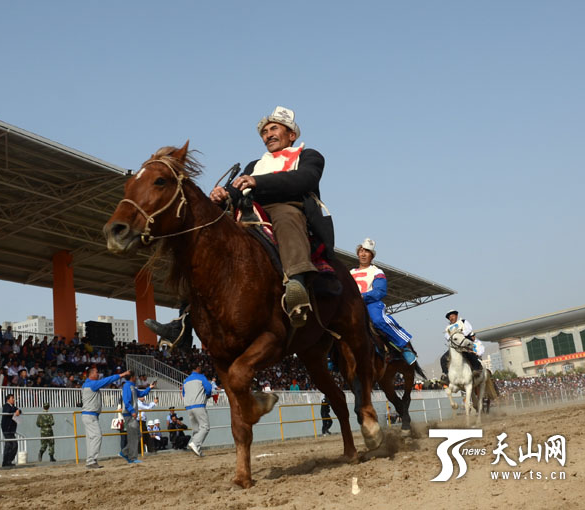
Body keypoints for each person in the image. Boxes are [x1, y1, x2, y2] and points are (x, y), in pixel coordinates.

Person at [145, 105, 329, 339]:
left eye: (274, 129)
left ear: (291, 135)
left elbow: (305, 180)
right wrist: (224, 195)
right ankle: (183, 320)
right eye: (264, 132)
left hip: (288, 207)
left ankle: (297, 284)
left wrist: (257, 182)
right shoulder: (254, 164)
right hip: (250, 213)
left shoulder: (308, 156)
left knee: (286, 216)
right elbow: (237, 190)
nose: (268, 135)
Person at [350, 238, 417, 365]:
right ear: (358, 253)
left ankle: (404, 346)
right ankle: (332, 356)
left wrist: (363, 297)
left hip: (371, 303)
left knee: (378, 320)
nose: (364, 254)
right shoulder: (351, 273)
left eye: (367, 252)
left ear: (372, 256)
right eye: (362, 251)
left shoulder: (377, 271)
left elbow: (380, 291)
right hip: (352, 304)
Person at [82, 367, 129, 469]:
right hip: (91, 415)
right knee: (97, 436)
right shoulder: (93, 384)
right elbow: (108, 380)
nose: (98, 374)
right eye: (96, 372)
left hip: (88, 415)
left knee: (91, 439)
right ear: (91, 374)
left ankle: (90, 460)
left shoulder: (87, 384)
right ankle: (91, 460)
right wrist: (121, 375)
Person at [120, 373, 155, 463]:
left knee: (137, 435)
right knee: (135, 435)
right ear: (132, 377)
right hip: (129, 414)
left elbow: (141, 393)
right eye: (135, 376)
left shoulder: (132, 387)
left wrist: (149, 388)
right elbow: (126, 401)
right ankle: (131, 457)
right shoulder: (127, 386)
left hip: (131, 414)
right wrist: (132, 411)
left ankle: (125, 452)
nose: (136, 378)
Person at [440, 310, 483, 382]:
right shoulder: (448, 327)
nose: (451, 318)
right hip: (455, 345)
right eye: (450, 317)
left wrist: (460, 334)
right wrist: (453, 336)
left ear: (456, 316)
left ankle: (476, 369)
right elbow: (447, 336)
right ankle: (446, 374)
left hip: (464, 343)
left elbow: (469, 329)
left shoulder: (463, 321)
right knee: (443, 358)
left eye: (453, 316)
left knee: (469, 354)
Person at [182, 366, 212, 457]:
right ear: (198, 368)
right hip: (198, 405)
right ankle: (195, 443)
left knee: (196, 429)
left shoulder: (186, 380)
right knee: (205, 427)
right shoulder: (201, 377)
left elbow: (184, 393)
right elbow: (209, 390)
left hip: (188, 406)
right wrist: (207, 396)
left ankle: (197, 449)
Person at [1, 394, 21, 467]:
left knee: (13, 445)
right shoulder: (6, 406)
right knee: (9, 445)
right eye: (12, 398)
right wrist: (16, 411)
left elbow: (19, 410)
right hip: (7, 429)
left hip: (11, 429)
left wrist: (18, 411)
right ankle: (6, 462)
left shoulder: (13, 407)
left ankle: (8, 461)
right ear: (8, 399)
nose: (13, 399)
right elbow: (9, 411)